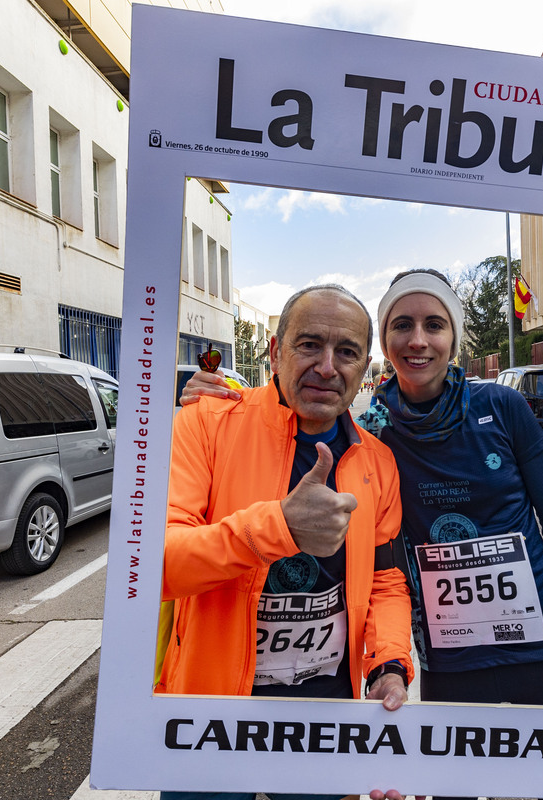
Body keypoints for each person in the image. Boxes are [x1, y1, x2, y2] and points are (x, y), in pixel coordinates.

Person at [186, 270, 543, 798]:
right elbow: (292, 407)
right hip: (450, 656)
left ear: (453, 336)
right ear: (383, 346)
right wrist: (211, 400)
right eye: (402, 325)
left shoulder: (500, 408)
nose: (418, 339)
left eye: (434, 324)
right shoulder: (377, 430)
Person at [158, 284, 413, 800]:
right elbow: (155, 566)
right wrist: (278, 529)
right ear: (275, 352)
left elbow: (385, 580)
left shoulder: (378, 463)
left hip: (323, 723)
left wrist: (387, 666)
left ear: (364, 367)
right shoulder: (205, 423)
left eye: (346, 352)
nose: (326, 366)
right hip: (209, 719)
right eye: (308, 345)